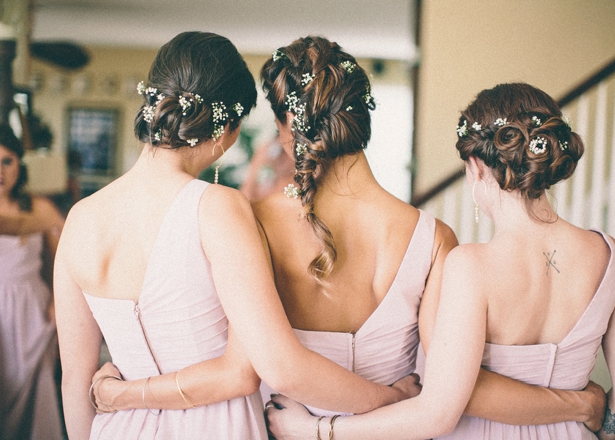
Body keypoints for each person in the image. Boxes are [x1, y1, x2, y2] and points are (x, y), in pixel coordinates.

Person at [91, 39, 604, 434]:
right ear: (363, 120)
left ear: (287, 126)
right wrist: (575, 403)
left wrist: (127, 394)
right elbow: (453, 388)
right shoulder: (432, 237)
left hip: (278, 428)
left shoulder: (244, 221)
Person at [54, 32, 422, 440]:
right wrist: (387, 399)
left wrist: (120, 400)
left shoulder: (78, 219)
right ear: (228, 128)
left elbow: (76, 381)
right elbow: (257, 370)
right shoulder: (216, 206)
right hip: (213, 427)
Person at [266, 82, 615, 439]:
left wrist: (316, 430)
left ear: (477, 167)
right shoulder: (610, 255)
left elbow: (436, 413)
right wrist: (599, 430)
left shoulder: (471, 266)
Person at [0, 124, 65, 440]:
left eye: (7, 161)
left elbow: (67, 258)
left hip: (30, 309)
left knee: (34, 385)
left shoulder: (40, 208)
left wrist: (57, 300)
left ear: (19, 165)